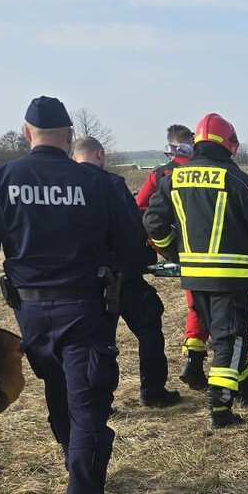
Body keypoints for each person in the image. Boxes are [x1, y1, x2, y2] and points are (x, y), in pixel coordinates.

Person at [0, 96, 144, 494]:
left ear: (27, 134)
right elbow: (132, 248)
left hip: (33, 316)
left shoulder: (2, 181)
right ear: (70, 136)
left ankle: (76, 464)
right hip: (88, 310)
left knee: (60, 393)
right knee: (89, 406)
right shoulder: (96, 184)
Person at [143, 112, 248, 429]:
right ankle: (220, 406)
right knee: (230, 341)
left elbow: (153, 223)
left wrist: (175, 251)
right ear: (229, 144)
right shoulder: (234, 177)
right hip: (230, 275)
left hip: (194, 276)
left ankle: (245, 389)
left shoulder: (174, 178)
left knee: (228, 336)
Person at [72, 136, 180, 408]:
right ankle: (153, 390)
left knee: (92, 342)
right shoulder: (110, 184)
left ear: (75, 156)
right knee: (149, 327)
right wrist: (144, 261)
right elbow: (133, 227)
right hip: (122, 275)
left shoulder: (63, 188)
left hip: (80, 280)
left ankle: (98, 403)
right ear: (100, 153)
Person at [135, 124, 211, 391]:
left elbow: (142, 209)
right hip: (206, 244)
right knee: (207, 303)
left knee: (197, 302)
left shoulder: (158, 174)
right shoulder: (203, 171)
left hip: (177, 248)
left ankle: (194, 357)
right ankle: (194, 360)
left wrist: (161, 243)